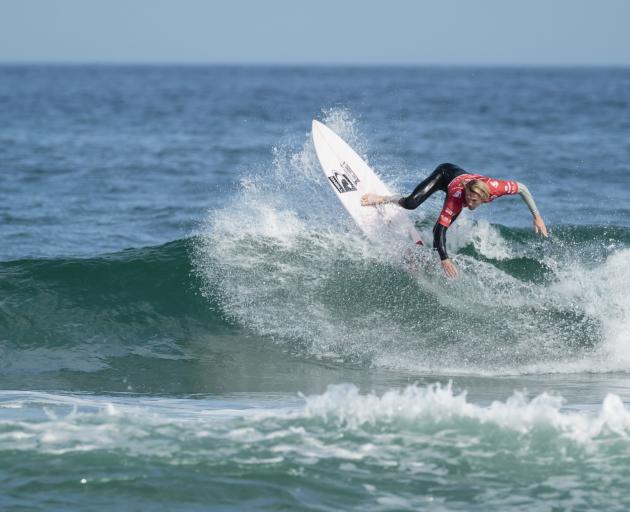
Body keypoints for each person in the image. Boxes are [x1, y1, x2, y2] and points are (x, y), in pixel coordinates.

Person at [361, 163, 548, 278]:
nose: (469, 202)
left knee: (440, 233)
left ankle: (428, 261)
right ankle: (384, 198)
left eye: (474, 200)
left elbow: (522, 188)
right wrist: (445, 259)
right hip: (444, 173)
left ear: (485, 197)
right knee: (411, 203)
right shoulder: (458, 197)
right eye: (468, 198)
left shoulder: (497, 188)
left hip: (462, 181)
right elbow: (440, 230)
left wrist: (536, 216)